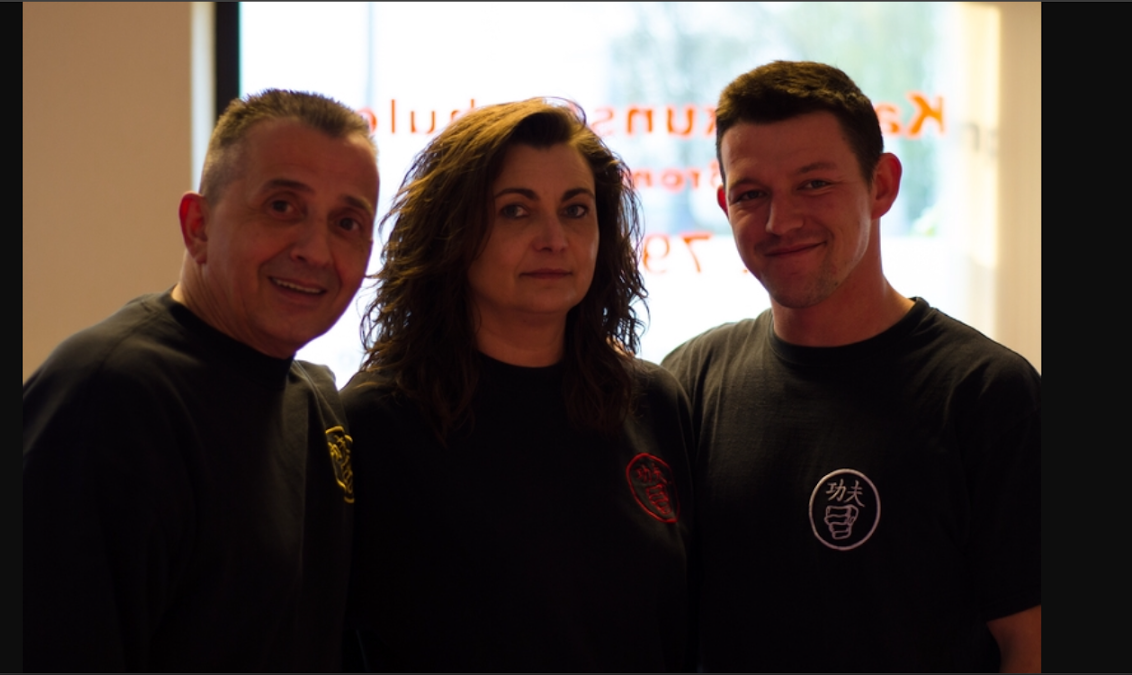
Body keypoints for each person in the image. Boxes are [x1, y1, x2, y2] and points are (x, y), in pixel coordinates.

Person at [660, 61, 1041, 672]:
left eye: (814, 184)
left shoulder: (986, 394)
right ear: (725, 204)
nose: (781, 222)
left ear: (882, 185)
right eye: (752, 194)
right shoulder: (691, 380)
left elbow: (1034, 643)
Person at [23, 89, 380, 671]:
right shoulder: (109, 396)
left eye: (347, 222)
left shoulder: (315, 404)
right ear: (199, 226)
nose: (316, 251)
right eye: (282, 206)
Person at [340, 99, 695, 671]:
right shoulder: (376, 422)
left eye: (575, 210)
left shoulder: (652, 401)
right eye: (515, 211)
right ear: (453, 231)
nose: (554, 238)